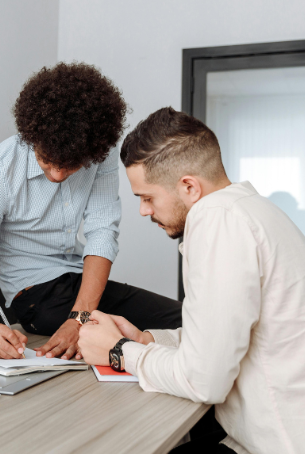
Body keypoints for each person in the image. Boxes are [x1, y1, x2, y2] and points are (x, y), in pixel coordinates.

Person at [78, 107, 305, 454]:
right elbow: (226, 336)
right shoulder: (255, 210)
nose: (143, 210)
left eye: (147, 197)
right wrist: (146, 340)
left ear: (189, 186)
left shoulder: (217, 221)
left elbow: (203, 381)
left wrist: (119, 351)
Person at [0, 63, 182, 361]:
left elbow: (102, 233)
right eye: (47, 161)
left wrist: (79, 318)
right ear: (32, 137)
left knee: (183, 319)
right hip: (36, 297)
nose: (58, 175)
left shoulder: (100, 152)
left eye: (71, 166)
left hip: (77, 282)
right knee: (157, 326)